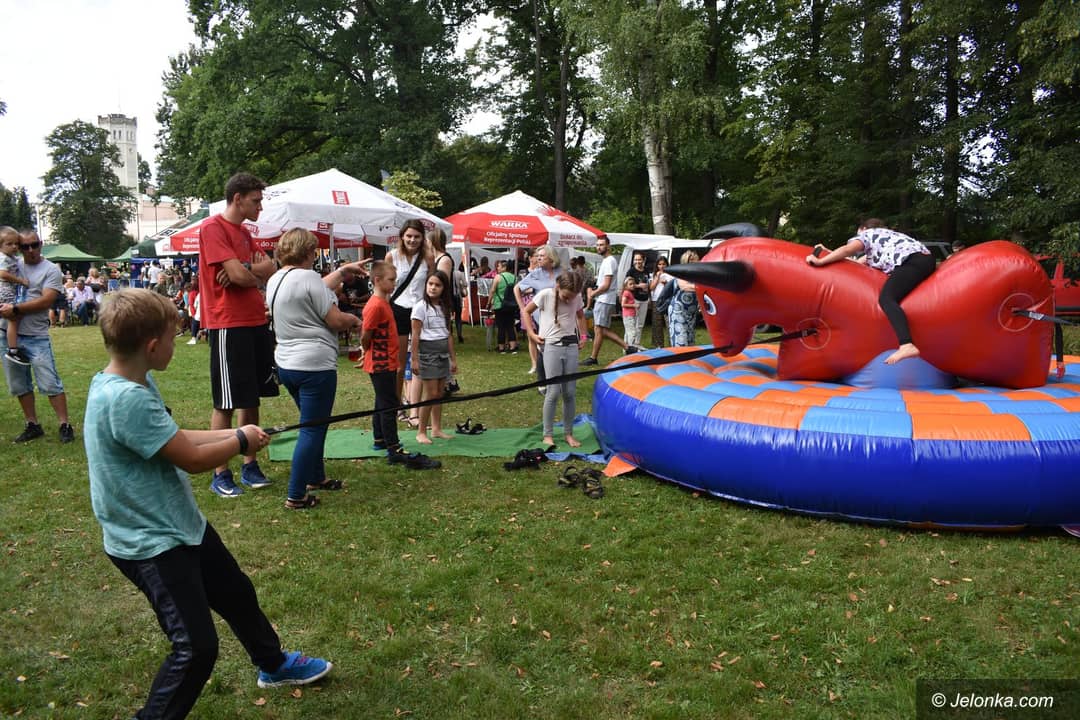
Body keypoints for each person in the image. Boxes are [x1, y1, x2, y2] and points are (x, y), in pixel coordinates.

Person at [84, 289, 332, 719]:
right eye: (172, 337)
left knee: (236, 593)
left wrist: (238, 435)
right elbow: (193, 460)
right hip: (151, 543)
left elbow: (174, 437)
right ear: (152, 346)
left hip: (179, 524)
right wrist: (239, 441)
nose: (176, 343)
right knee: (195, 648)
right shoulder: (125, 399)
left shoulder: (129, 381)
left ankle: (273, 665)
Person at [266, 229, 366, 510]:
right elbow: (335, 320)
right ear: (308, 252)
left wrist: (343, 272)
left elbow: (312, 287)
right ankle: (296, 495)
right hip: (315, 365)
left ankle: (316, 476)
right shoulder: (308, 278)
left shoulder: (276, 279)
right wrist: (354, 320)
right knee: (312, 429)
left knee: (313, 423)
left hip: (287, 364)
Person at [198, 172, 279, 497]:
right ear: (237, 198)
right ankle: (220, 472)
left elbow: (268, 267)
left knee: (251, 397)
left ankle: (250, 464)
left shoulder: (244, 232)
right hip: (228, 323)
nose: (260, 207)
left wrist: (246, 270)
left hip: (255, 320)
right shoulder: (212, 228)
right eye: (256, 200)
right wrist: (249, 272)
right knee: (226, 401)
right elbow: (243, 276)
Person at [807, 218, 934, 364]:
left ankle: (907, 345)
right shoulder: (884, 241)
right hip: (924, 260)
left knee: (886, 299)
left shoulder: (868, 234)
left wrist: (820, 261)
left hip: (911, 261)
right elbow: (853, 262)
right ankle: (907, 344)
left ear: (863, 229)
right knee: (893, 295)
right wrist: (827, 252)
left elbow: (847, 250)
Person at [361, 261, 441, 470]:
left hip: (386, 360)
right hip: (380, 363)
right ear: (377, 280)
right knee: (389, 404)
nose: (394, 284)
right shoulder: (375, 305)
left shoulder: (384, 302)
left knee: (382, 401)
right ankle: (393, 448)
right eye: (391, 280)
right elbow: (366, 334)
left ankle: (380, 438)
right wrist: (367, 350)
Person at [0, 229, 75, 443]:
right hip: (7, 333)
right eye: (24, 246)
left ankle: (64, 425)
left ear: (41, 244)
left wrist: (15, 309)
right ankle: (32, 424)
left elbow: (46, 301)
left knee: (50, 382)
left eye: (34, 244)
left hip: (35, 335)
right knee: (19, 384)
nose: (30, 250)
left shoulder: (50, 269)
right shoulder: (12, 264)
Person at [521, 272, 588, 448]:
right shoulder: (545, 295)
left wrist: (583, 336)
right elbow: (526, 311)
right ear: (558, 286)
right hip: (551, 346)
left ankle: (568, 433)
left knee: (570, 392)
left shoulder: (576, 297)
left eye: (572, 297)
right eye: (566, 296)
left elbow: (580, 315)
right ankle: (548, 434)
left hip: (571, 346)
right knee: (553, 391)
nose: (569, 300)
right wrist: (531, 334)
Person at [387, 220, 433, 430]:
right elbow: (384, 286)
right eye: (409, 236)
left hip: (420, 311)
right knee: (398, 364)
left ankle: (415, 410)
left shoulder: (427, 258)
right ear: (402, 237)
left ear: (423, 238)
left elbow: (432, 285)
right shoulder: (392, 256)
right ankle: (397, 406)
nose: (412, 240)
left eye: (417, 236)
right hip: (398, 309)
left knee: (418, 362)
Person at [411, 270, 457, 445]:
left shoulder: (445, 307)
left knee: (439, 393)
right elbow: (415, 335)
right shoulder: (420, 307)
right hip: (427, 354)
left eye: (437, 285)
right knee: (430, 394)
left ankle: (436, 428)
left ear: (444, 288)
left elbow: (448, 334)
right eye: (430, 284)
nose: (433, 288)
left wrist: (453, 359)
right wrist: (414, 359)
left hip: (443, 353)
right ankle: (421, 431)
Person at [584, 236, 633, 365]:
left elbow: (606, 285)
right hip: (603, 299)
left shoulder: (610, 261)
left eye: (601, 245)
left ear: (608, 246)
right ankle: (594, 357)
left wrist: (592, 294)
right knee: (599, 329)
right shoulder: (606, 261)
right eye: (597, 245)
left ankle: (627, 347)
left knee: (600, 329)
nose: (598, 247)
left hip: (604, 300)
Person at [516, 246, 561, 383]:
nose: (538, 258)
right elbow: (517, 288)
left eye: (542, 256)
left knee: (557, 348)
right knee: (545, 347)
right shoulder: (536, 274)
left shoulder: (562, 272)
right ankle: (543, 381)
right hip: (541, 317)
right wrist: (522, 307)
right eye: (537, 256)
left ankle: (555, 378)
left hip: (560, 316)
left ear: (551, 258)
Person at [0, 227, 30, 365]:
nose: (14, 247)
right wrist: (20, 281)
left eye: (16, 244)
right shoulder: (2, 258)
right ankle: (13, 350)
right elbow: (3, 274)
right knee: (13, 317)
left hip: (7, 291)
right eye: (9, 244)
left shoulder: (11, 258)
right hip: (4, 291)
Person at [668, 250, 701, 347]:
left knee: (690, 342)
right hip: (678, 312)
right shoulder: (681, 273)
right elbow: (684, 286)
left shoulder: (698, 276)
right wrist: (702, 288)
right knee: (681, 341)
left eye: (695, 260)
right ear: (685, 261)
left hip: (691, 313)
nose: (693, 262)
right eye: (690, 260)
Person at [489, 259, 519, 354]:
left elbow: (492, 290)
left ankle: (501, 347)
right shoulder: (514, 278)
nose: (497, 268)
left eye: (499, 266)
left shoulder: (498, 277)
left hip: (499, 305)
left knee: (501, 326)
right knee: (510, 325)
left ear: (504, 267)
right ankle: (512, 347)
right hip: (511, 305)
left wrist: (489, 302)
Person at [626, 251, 651, 347]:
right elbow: (626, 285)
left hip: (644, 299)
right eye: (635, 259)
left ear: (643, 260)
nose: (637, 261)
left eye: (639, 259)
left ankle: (637, 344)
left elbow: (648, 284)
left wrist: (649, 296)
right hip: (634, 299)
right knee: (632, 324)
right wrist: (638, 286)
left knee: (640, 324)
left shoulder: (646, 271)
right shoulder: (631, 271)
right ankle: (628, 345)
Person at [649, 255, 672, 347]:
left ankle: (672, 344)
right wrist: (657, 277)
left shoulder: (670, 275)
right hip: (656, 300)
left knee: (669, 323)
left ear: (667, 265)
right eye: (659, 264)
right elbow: (651, 288)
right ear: (657, 265)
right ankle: (659, 345)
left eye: (663, 264)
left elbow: (672, 288)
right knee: (657, 324)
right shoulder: (653, 275)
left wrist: (666, 283)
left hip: (667, 300)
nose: (662, 266)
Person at [620, 276, 638, 347]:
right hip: (628, 316)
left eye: (633, 284)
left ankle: (626, 348)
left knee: (627, 333)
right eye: (630, 284)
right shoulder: (626, 293)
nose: (632, 285)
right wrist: (634, 305)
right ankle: (631, 347)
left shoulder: (629, 293)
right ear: (625, 286)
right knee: (632, 333)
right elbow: (623, 304)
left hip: (630, 315)